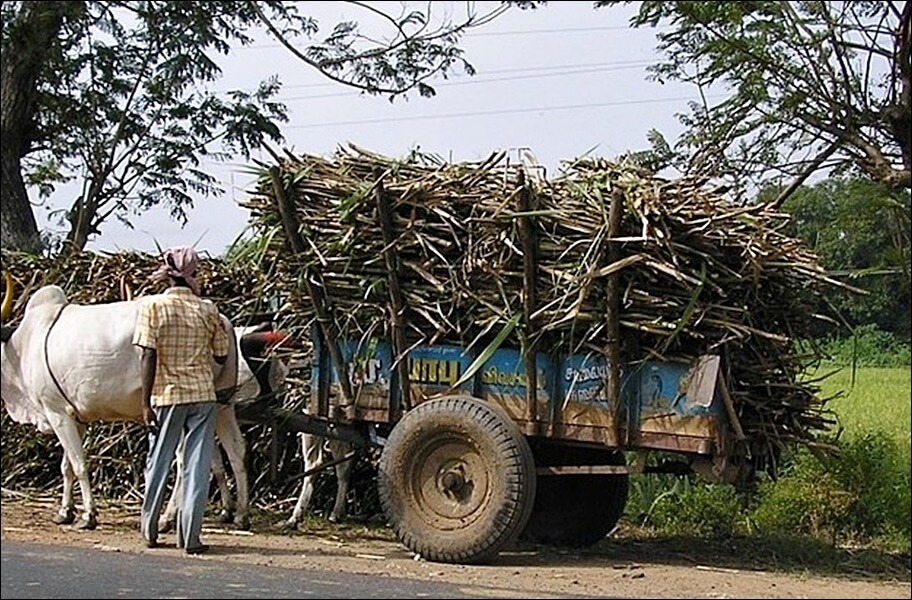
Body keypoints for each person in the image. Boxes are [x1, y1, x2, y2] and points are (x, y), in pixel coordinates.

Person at [132, 245, 230, 555]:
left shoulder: (153, 308)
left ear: (167, 274)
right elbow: (222, 353)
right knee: (197, 466)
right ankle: (190, 538)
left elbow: (147, 354)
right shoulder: (208, 309)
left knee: (159, 462)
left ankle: (149, 531)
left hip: (167, 396)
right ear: (195, 275)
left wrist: (146, 403)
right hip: (203, 395)